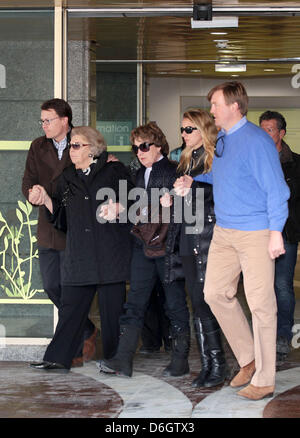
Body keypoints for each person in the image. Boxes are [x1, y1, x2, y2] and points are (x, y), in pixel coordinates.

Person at [201, 81, 290, 400]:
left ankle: (265, 379)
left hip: (255, 232)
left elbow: (277, 190)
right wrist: (194, 177)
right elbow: (223, 176)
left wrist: (276, 232)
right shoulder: (223, 138)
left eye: (215, 104)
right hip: (224, 231)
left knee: (261, 305)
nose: (211, 110)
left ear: (234, 106)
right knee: (214, 293)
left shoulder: (257, 142)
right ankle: (249, 358)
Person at [29, 126, 133, 371]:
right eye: (71, 146)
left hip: (110, 252)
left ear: (93, 149)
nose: (72, 150)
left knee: (113, 313)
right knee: (70, 309)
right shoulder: (67, 178)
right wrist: (46, 200)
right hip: (80, 254)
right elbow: (62, 218)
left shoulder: (113, 170)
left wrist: (119, 206)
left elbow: (133, 198)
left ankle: (115, 360)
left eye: (77, 145)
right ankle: (57, 357)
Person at [99, 122, 190, 377]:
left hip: (167, 246)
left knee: (174, 303)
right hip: (144, 247)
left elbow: (176, 210)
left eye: (144, 146)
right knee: (135, 302)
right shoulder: (140, 173)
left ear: (158, 145)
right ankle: (122, 359)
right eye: (136, 147)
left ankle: (181, 359)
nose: (139, 151)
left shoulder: (172, 171)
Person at [22, 99, 97, 366]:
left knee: (69, 289)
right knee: (52, 285)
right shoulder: (37, 146)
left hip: (74, 227)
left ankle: (73, 350)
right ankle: (87, 329)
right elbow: (28, 181)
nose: (44, 125)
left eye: (48, 120)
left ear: (64, 120)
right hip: (47, 226)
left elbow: (94, 172)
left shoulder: (81, 140)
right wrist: (33, 194)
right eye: (42, 120)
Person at [164, 109, 227, 388]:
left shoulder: (215, 158)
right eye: (182, 129)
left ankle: (218, 365)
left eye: (189, 129)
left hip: (209, 236)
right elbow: (188, 200)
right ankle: (208, 364)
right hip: (189, 237)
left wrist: (195, 185)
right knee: (196, 302)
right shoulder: (187, 159)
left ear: (204, 130)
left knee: (206, 302)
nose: (184, 134)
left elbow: (222, 193)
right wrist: (171, 198)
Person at [259, 110, 300, 363]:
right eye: (261, 129)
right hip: (256, 232)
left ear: (281, 133)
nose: (264, 134)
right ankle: (263, 337)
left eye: (269, 129)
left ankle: (282, 336)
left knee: (282, 286)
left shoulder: (296, 163)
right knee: (259, 288)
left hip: (285, 232)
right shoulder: (255, 160)